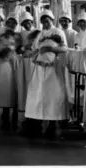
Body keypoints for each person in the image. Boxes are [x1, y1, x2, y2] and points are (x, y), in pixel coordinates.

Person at [24, 10, 69, 138]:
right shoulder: (40, 34)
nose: (45, 23)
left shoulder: (58, 32)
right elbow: (34, 49)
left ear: (52, 20)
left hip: (52, 69)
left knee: (52, 96)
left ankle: (52, 125)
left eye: (47, 20)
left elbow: (64, 48)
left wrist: (51, 48)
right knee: (37, 96)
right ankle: (36, 123)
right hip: (39, 68)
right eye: (43, 21)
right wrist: (29, 53)